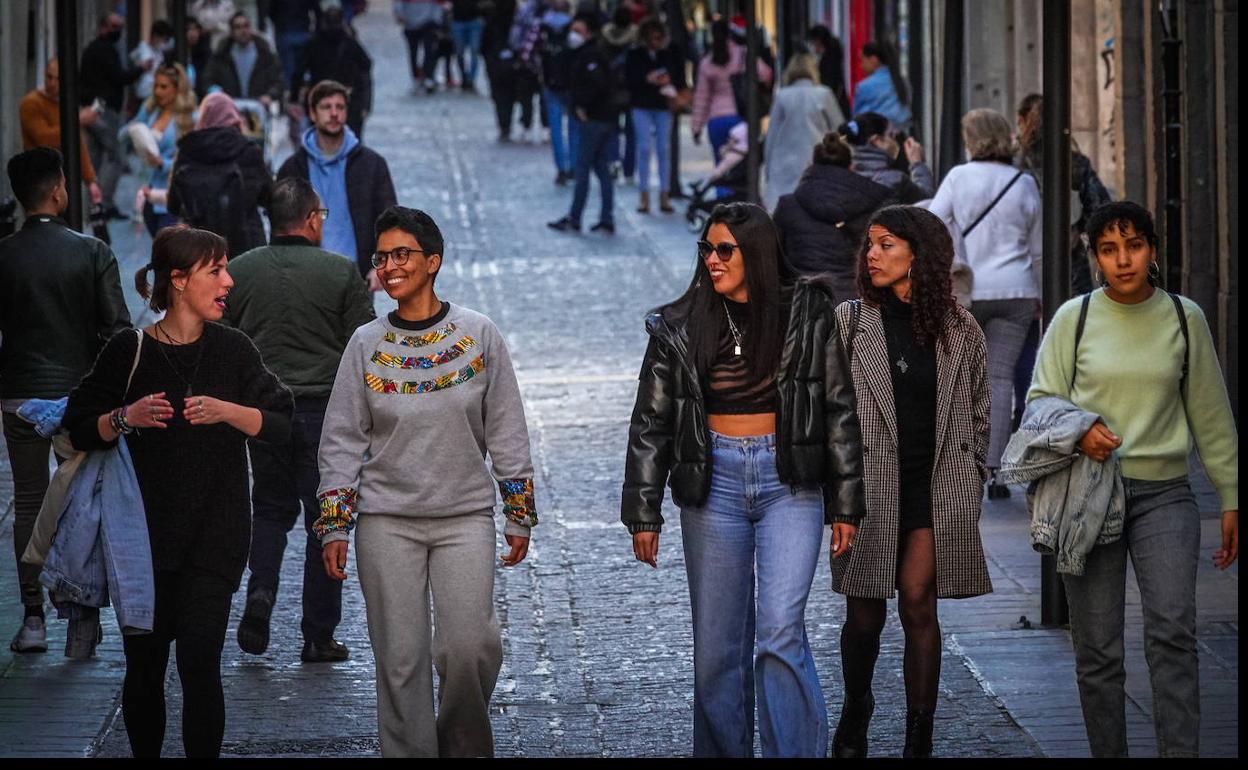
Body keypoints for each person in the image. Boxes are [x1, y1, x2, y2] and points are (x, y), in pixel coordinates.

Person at [622, 202, 864, 757]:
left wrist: (846, 503)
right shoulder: (678, 323)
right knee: (716, 651)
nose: (712, 259)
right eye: (705, 248)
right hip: (714, 485)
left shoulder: (807, 309)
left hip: (790, 483)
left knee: (781, 629)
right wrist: (643, 510)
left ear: (754, 252)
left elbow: (838, 408)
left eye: (724, 249)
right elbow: (650, 422)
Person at [315, 206, 537, 757]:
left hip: (464, 519)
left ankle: (462, 746)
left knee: (469, 648)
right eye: (382, 256)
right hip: (386, 523)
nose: (389, 266)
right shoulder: (365, 344)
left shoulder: (479, 334)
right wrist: (335, 525)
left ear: (433, 262)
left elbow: (507, 428)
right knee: (400, 662)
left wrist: (518, 512)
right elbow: (342, 437)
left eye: (402, 255)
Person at [63, 225, 293, 757]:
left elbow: (282, 423)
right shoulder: (129, 351)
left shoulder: (233, 349)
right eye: (216, 271)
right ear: (179, 280)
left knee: (198, 662)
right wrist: (125, 417)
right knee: (145, 667)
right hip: (140, 542)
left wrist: (227, 412)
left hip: (216, 537)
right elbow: (77, 425)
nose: (228, 281)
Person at [1026, 201, 1238, 758]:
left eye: (1135, 246)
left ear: (1152, 249)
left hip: (1165, 495)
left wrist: (1230, 494)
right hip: (1088, 494)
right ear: (1094, 256)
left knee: (1173, 631)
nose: (1124, 261)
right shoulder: (1075, 319)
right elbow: (1040, 401)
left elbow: (1211, 413)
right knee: (1098, 650)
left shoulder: (1183, 316)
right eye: (1109, 249)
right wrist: (1083, 429)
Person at [829, 205, 992, 759]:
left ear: (918, 256)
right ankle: (857, 709)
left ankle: (919, 737)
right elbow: (830, 410)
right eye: (870, 244)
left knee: (920, 603)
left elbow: (978, 410)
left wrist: (970, 476)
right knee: (864, 614)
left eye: (887, 245)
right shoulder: (850, 322)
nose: (871, 254)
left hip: (934, 484)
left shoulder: (959, 326)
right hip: (868, 486)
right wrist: (838, 489)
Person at [223, 178, 374, 663]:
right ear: (312, 219)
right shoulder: (339, 271)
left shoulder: (241, 271)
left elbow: (223, 340)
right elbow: (363, 343)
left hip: (262, 413)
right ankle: (318, 633)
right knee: (325, 517)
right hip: (324, 412)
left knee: (269, 509)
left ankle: (261, 592)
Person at [0, 148, 130, 653]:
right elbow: (116, 328)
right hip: (77, 395)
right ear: (58, 189)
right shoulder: (92, 251)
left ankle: (32, 619)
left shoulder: (5, 253)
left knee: (30, 503)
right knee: (81, 503)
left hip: (18, 394)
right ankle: (81, 617)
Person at [928, 108, 1042, 498]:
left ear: (970, 139)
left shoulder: (959, 178)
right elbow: (1039, 249)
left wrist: (956, 252)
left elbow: (932, 222)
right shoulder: (1024, 183)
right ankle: (994, 471)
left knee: (959, 376)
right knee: (999, 380)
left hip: (970, 291)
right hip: (1017, 291)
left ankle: (962, 462)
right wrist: (1040, 293)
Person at [277, 80, 397, 290]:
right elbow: (280, 225)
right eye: (326, 107)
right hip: (306, 277)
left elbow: (389, 219)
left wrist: (381, 265)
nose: (334, 114)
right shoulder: (293, 168)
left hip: (357, 277)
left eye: (339, 107)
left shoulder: (371, 164)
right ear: (313, 114)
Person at [772, 132, 894, 300]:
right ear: (851, 167)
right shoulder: (874, 203)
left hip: (803, 303)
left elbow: (775, 260)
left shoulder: (788, 206)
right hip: (859, 302)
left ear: (811, 166)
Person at [168, 93, 273, 257]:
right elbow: (269, 197)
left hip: (200, 249)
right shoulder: (248, 150)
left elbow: (173, 204)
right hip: (247, 247)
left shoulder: (187, 151)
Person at [547, 13, 620, 235]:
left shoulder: (591, 55)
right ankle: (605, 218)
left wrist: (582, 106)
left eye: (578, 31)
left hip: (595, 119)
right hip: (603, 118)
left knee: (583, 168)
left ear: (588, 32)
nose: (573, 35)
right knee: (600, 168)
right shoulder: (588, 53)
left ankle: (576, 217)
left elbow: (598, 84)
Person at [81, 12, 151, 219]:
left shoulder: (98, 49)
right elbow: (119, 77)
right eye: (113, 27)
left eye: (120, 27)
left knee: (94, 159)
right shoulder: (103, 50)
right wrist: (140, 69)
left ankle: (94, 206)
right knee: (115, 157)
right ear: (103, 27)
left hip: (95, 106)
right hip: (102, 107)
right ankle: (103, 205)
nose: (117, 32)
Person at [762, 53, 843, 211]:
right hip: (818, 159)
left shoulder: (782, 96)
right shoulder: (823, 93)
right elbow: (839, 129)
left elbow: (771, 135)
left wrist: (767, 168)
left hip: (784, 164)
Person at [19, 59, 103, 207]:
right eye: (49, 77)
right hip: (39, 180)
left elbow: (77, 143)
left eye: (57, 79)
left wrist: (90, 181)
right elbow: (43, 138)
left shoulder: (64, 103)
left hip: (62, 178)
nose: (52, 83)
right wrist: (77, 120)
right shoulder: (31, 103)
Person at [126, 63, 197, 236]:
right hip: (149, 191)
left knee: (168, 246)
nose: (158, 91)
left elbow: (192, 158)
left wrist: (163, 163)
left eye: (164, 86)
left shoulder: (189, 118)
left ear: (177, 89)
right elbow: (127, 132)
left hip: (173, 194)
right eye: (156, 86)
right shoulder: (150, 111)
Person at [625, 16, 687, 213]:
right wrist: (647, 79)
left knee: (663, 149)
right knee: (644, 149)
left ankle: (664, 194)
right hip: (642, 104)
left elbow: (680, 77)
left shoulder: (670, 52)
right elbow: (629, 78)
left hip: (663, 105)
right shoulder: (635, 54)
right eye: (651, 38)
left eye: (658, 38)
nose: (655, 42)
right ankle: (644, 195)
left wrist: (668, 80)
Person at [690, 18, 772, 165]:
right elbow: (766, 74)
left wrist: (696, 127)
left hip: (716, 120)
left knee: (721, 167)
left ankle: (723, 189)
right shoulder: (743, 54)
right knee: (741, 166)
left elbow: (701, 97)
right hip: (741, 117)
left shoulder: (707, 62)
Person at [292, 7, 374, 139]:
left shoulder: (314, 43)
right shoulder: (350, 43)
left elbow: (298, 72)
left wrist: (295, 98)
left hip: (322, 98)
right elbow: (366, 69)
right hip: (347, 100)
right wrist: (365, 103)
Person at [838, 112, 932, 204]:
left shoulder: (843, 180)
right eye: (891, 135)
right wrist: (917, 164)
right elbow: (926, 200)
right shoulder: (894, 180)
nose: (895, 142)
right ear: (877, 141)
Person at [203, 12, 286, 109]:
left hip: (259, 107)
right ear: (232, 31)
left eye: (246, 26)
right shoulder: (221, 55)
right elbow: (208, 80)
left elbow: (278, 81)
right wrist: (217, 92)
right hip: (229, 108)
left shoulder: (265, 53)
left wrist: (270, 95)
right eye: (238, 27)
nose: (243, 31)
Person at [539, 1, 578, 184]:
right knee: (573, 127)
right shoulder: (574, 29)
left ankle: (561, 167)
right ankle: (573, 166)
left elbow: (530, 51)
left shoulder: (542, 26)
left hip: (551, 83)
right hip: (571, 84)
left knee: (555, 129)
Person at [601, 7, 638, 183]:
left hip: (610, 91)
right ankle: (629, 170)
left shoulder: (605, 37)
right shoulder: (635, 39)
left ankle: (613, 161)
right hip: (631, 91)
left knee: (612, 130)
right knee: (631, 133)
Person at [852, 41, 911, 130]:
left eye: (863, 60)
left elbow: (857, 119)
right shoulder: (902, 81)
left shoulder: (864, 87)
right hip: (901, 135)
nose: (861, 66)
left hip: (874, 138)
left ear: (873, 60)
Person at [268, 0, 322, 89]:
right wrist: (315, 32)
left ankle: (291, 94)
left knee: (288, 70)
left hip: (285, 32)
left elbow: (271, 12)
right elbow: (317, 11)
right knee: (304, 69)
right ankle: (302, 92)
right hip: (302, 31)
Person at [396, 0, 445, 94]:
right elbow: (399, 4)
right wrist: (400, 15)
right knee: (413, 52)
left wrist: (437, 21)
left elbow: (439, 4)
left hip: (428, 23)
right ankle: (416, 76)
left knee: (429, 50)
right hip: (410, 24)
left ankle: (428, 76)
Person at [805, 25, 850, 121]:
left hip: (831, 104)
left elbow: (827, 84)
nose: (812, 47)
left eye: (813, 43)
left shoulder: (827, 61)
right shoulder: (833, 55)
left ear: (818, 42)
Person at [451, 0, 485, 92]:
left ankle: (471, 79)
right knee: (459, 52)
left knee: (474, 50)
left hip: (474, 21)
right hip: (458, 21)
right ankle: (463, 77)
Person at [187, 19, 214, 98]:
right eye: (189, 29)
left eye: (195, 29)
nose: (192, 33)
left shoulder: (205, 54)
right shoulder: (175, 54)